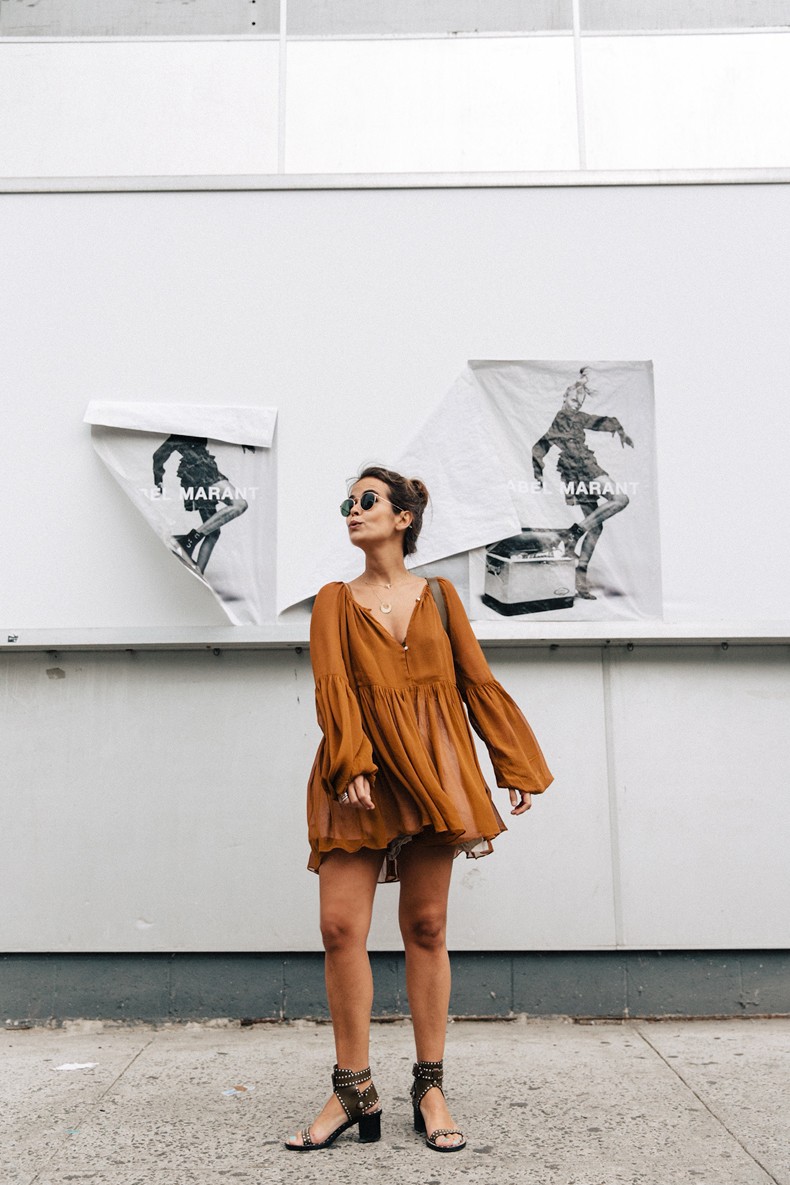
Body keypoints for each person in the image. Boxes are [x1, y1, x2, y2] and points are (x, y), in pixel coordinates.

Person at [284, 466, 552, 1154]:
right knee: (341, 927)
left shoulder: (439, 595)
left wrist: (511, 760)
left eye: (367, 500)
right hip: (358, 778)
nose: (352, 509)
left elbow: (473, 680)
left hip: (433, 771)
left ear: (403, 517)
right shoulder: (333, 600)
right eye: (346, 501)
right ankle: (352, 1089)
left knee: (427, 925)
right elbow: (333, 687)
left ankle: (429, 1085)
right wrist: (351, 762)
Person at [532, 369, 634, 599]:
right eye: (574, 399)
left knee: (596, 526)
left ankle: (579, 577)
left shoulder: (575, 417)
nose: (577, 403)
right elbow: (540, 446)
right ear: (565, 397)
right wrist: (537, 473)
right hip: (581, 469)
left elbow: (598, 421)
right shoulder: (561, 419)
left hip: (579, 469)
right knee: (620, 499)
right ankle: (573, 534)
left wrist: (619, 429)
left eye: (581, 400)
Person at [151, 434, 251, 574]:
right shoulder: (181, 430)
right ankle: (187, 541)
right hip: (200, 470)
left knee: (213, 532)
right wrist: (158, 478)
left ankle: (198, 572)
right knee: (239, 504)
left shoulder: (200, 424)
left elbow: (222, 426)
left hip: (198, 471)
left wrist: (243, 440)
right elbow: (159, 454)